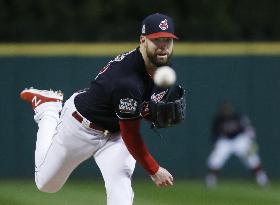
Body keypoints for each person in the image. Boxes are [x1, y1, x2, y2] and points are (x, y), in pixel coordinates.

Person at [20, 13, 181, 205]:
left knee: (120, 188)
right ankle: (48, 108)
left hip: (115, 134)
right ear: (143, 41)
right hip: (81, 127)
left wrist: (153, 108)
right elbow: (131, 134)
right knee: (46, 184)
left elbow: (137, 110)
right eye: (157, 40)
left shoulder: (161, 63)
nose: (163, 47)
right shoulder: (126, 81)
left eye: (168, 41)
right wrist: (154, 170)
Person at [205, 101, 269, 188]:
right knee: (215, 158)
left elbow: (248, 128)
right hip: (225, 141)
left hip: (239, 139)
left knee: (252, 158)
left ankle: (262, 179)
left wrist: (250, 141)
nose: (226, 110)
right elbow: (214, 134)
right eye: (225, 109)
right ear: (222, 110)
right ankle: (211, 180)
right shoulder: (218, 119)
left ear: (231, 109)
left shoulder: (238, 116)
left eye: (228, 108)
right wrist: (215, 144)